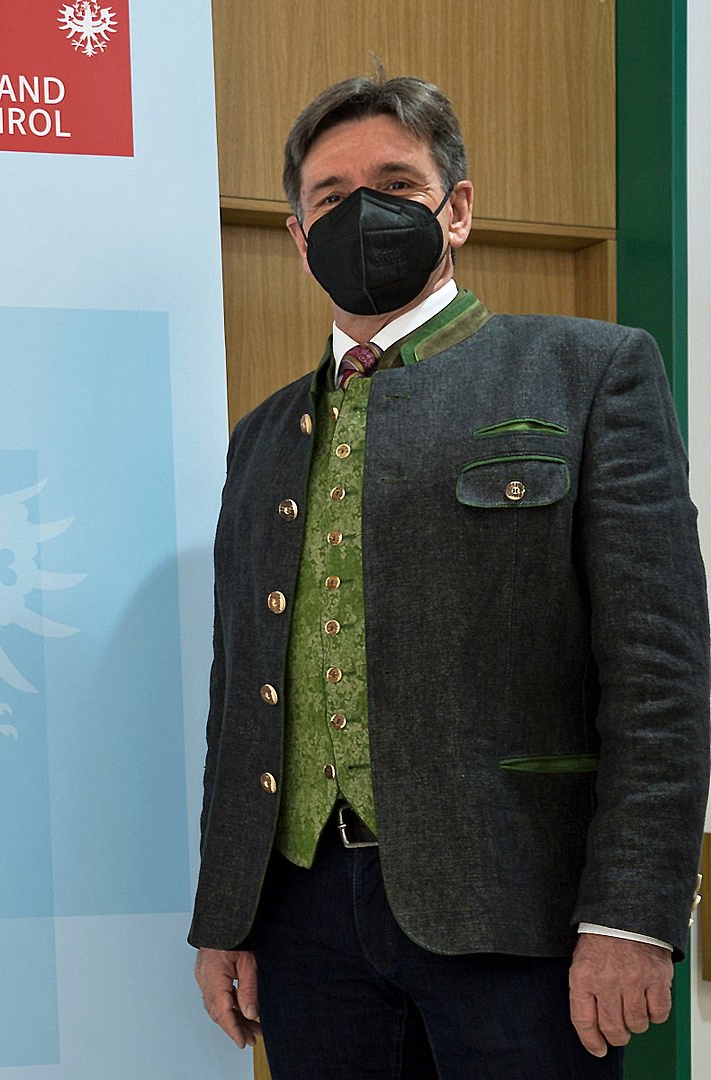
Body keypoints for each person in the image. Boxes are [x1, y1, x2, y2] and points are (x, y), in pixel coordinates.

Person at [189, 73, 709, 1078]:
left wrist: (633, 913)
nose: (364, 213)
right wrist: (226, 917)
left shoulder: (590, 373)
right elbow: (239, 696)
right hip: (302, 924)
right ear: (299, 236)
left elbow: (659, 674)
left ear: (457, 209)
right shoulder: (261, 436)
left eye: (396, 184)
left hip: (522, 916)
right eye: (332, 197)